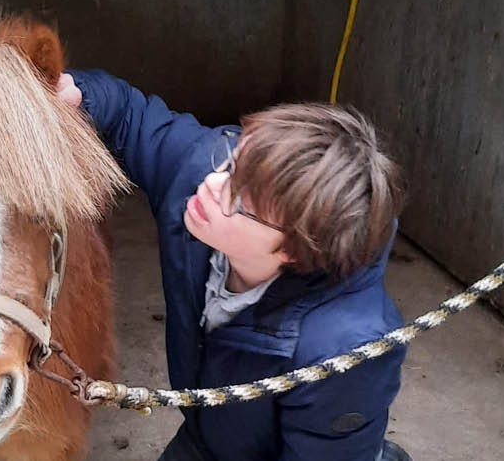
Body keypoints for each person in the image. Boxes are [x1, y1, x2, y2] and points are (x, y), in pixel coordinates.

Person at [58, 69, 412, 461]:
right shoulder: (207, 176)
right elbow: (130, 116)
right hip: (207, 438)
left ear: (291, 251)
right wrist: (78, 95)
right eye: (231, 162)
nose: (210, 183)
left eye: (240, 201)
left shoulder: (345, 354)